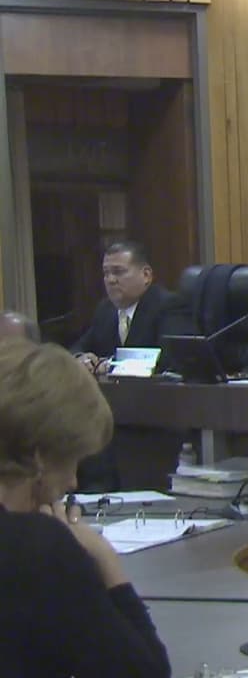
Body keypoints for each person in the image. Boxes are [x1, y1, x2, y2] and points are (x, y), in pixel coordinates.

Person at [0, 337, 170, 677]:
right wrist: (104, 560)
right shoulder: (36, 547)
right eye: (72, 460)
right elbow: (144, 673)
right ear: (39, 456)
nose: (73, 482)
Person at [70, 240, 189, 376]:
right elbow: (80, 346)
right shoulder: (105, 309)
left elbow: (169, 360)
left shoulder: (169, 306)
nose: (110, 280)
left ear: (146, 275)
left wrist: (110, 365)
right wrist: (80, 357)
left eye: (118, 272)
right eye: (106, 273)